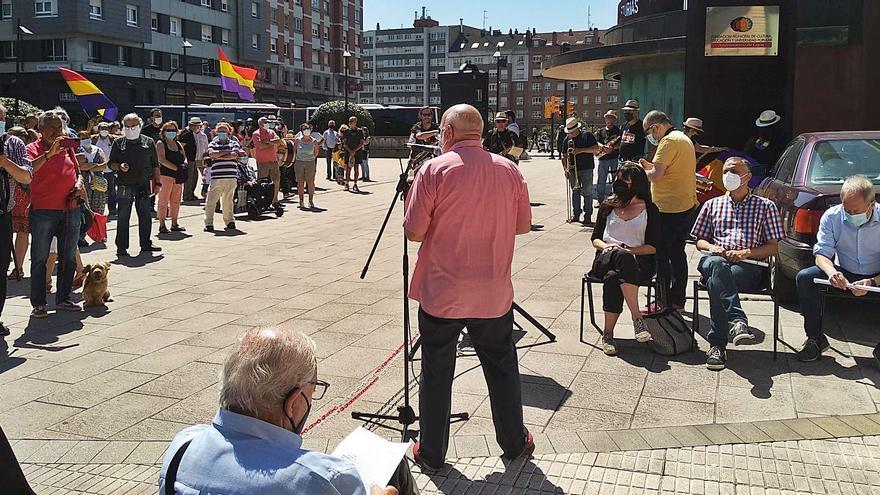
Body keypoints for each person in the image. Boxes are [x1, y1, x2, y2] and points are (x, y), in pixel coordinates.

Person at [404, 104, 534, 472]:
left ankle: (430, 452)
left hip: (442, 292)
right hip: (493, 291)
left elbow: (414, 232)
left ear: (446, 133)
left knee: (436, 370)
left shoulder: (433, 169)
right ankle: (514, 442)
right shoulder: (509, 170)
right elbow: (523, 226)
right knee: (502, 367)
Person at [158, 326, 415, 495]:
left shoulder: (182, 447)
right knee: (396, 468)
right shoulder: (321, 479)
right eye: (312, 392)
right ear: (293, 403)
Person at [691, 157, 784, 370]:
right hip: (714, 259)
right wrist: (713, 247)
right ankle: (737, 319)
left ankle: (717, 346)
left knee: (718, 282)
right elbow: (700, 241)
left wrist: (745, 253)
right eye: (725, 171)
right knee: (716, 265)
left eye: (733, 171)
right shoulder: (712, 204)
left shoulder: (765, 206)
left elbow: (773, 247)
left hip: (748, 265)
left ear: (747, 176)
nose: (727, 176)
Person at [795, 175, 880, 362]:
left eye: (855, 210)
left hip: (877, 275)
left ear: (871, 205)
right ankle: (815, 338)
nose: (849, 214)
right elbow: (821, 254)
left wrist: (873, 281)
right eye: (846, 209)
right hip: (845, 272)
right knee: (805, 278)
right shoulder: (832, 216)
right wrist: (832, 273)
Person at [590, 163, 659, 356]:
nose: (619, 184)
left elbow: (652, 247)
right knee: (619, 256)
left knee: (614, 277)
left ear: (636, 184)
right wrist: (608, 247)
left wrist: (628, 250)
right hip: (605, 258)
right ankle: (637, 317)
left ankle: (607, 335)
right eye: (618, 179)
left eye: (625, 180)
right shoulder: (608, 205)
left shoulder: (650, 210)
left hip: (638, 263)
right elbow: (595, 238)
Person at [25, 110, 83, 317]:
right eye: (51, 127)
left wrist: (79, 184)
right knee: (40, 258)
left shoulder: (68, 149)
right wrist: (50, 154)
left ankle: (64, 297)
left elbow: (77, 172)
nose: (57, 131)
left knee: (68, 256)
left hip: (70, 209)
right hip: (43, 211)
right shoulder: (31, 148)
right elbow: (27, 171)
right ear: (40, 130)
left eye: (59, 127)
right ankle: (39, 303)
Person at [639, 110, 698, 310]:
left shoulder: (668, 142)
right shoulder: (683, 138)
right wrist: (650, 167)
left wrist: (640, 172)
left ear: (656, 126)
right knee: (677, 254)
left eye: (649, 132)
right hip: (685, 204)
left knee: (662, 255)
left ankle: (662, 300)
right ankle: (678, 299)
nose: (651, 137)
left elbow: (656, 176)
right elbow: (668, 170)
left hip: (668, 207)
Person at [107, 113, 162, 257]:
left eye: (134, 126)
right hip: (125, 185)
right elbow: (111, 164)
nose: (131, 129)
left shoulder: (148, 142)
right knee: (123, 216)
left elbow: (155, 164)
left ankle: (146, 244)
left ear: (140, 125)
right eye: (128, 126)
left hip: (144, 184)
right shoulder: (119, 143)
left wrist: (158, 182)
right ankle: (121, 248)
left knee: (145, 215)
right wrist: (119, 166)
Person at [0, 106, 33, 332]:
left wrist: (4, 162)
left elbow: (26, 176)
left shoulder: (14, 144)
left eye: (1, 117)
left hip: (3, 213)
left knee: (1, 267)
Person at [561, 117, 605, 225]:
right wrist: (565, 169)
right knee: (575, 192)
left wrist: (580, 151)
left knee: (587, 193)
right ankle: (576, 214)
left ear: (577, 129)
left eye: (571, 131)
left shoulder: (587, 135)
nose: (570, 133)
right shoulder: (567, 139)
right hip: (572, 170)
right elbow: (564, 155)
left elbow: (595, 148)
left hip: (586, 168)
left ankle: (587, 215)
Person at [6, 126, 34, 282]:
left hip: (19, 195)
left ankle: (17, 267)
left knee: (21, 231)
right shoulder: (29, 148)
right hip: (23, 195)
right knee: (22, 232)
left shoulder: (20, 148)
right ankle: (18, 267)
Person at [204, 122, 243, 232]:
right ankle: (209, 223)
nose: (221, 133)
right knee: (211, 201)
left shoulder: (234, 143)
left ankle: (229, 221)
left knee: (228, 201)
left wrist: (219, 155)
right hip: (217, 177)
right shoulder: (213, 143)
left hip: (231, 177)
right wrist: (227, 154)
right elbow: (211, 154)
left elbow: (235, 154)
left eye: (224, 131)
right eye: (219, 131)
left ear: (229, 132)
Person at [75, 129, 107, 246]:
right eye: (82, 138)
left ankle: (100, 234)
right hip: (83, 184)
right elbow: (79, 167)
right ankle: (81, 237)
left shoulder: (98, 150)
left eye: (86, 137)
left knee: (98, 210)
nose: (85, 140)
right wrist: (93, 165)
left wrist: (88, 166)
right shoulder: (77, 151)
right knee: (84, 211)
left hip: (98, 184)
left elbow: (103, 165)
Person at [155, 121, 186, 234]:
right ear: (163, 132)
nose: (171, 132)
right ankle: (162, 225)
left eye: (173, 130)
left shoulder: (178, 144)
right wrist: (176, 168)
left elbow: (184, 157)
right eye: (168, 130)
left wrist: (182, 168)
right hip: (165, 175)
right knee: (163, 201)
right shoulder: (160, 143)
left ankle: (174, 223)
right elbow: (161, 159)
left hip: (178, 177)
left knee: (176, 201)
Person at [251, 116, 282, 206]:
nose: (267, 123)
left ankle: (275, 199)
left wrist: (267, 141)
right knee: (262, 181)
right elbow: (259, 145)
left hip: (273, 160)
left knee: (276, 180)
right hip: (262, 161)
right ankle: (262, 200)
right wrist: (271, 144)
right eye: (265, 122)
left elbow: (278, 141)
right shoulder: (256, 134)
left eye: (267, 122)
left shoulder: (272, 132)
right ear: (260, 124)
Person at [744, 110, 785, 175]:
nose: (765, 130)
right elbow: (746, 158)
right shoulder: (754, 141)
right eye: (763, 128)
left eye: (768, 128)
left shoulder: (781, 141)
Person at [179, 117, 208, 202]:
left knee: (195, 177)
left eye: (198, 125)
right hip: (189, 158)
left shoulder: (200, 134)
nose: (196, 127)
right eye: (194, 125)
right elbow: (182, 146)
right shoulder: (186, 133)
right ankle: (187, 195)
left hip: (197, 158)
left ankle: (191, 193)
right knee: (189, 178)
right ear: (190, 125)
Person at [595, 110, 622, 202]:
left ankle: (614, 198)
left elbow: (621, 144)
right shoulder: (600, 131)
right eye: (608, 118)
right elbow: (597, 142)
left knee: (615, 179)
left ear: (614, 120)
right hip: (603, 158)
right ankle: (600, 199)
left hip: (614, 158)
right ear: (605, 119)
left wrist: (612, 148)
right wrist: (604, 147)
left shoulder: (618, 131)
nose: (610, 120)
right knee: (601, 179)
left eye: (612, 118)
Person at [93, 122, 118, 215]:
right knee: (98, 189)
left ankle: (112, 209)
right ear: (98, 129)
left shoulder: (113, 139)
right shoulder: (93, 139)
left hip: (110, 169)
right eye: (102, 128)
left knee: (111, 190)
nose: (104, 130)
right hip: (97, 169)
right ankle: (98, 209)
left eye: (106, 128)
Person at [293, 123, 320, 210]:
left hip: (310, 162)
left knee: (310, 182)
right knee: (300, 182)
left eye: (308, 128)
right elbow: (295, 151)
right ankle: (301, 200)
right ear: (302, 131)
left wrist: (310, 158)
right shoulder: (297, 140)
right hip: (299, 162)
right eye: (304, 129)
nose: (306, 130)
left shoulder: (314, 141)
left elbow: (316, 153)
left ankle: (310, 200)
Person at [619, 99, 646, 163]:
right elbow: (620, 141)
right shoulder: (624, 126)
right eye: (625, 111)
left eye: (630, 111)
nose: (627, 113)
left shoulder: (642, 126)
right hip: (622, 161)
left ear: (636, 112)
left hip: (635, 161)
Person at [344, 116, 364, 192]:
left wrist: (355, 150)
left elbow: (361, 142)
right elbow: (345, 142)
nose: (350, 123)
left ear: (355, 122)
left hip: (357, 152)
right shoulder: (346, 131)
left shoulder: (359, 131)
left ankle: (355, 183)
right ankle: (347, 183)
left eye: (352, 121)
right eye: (350, 121)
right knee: (348, 168)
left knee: (356, 168)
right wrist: (350, 150)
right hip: (348, 152)